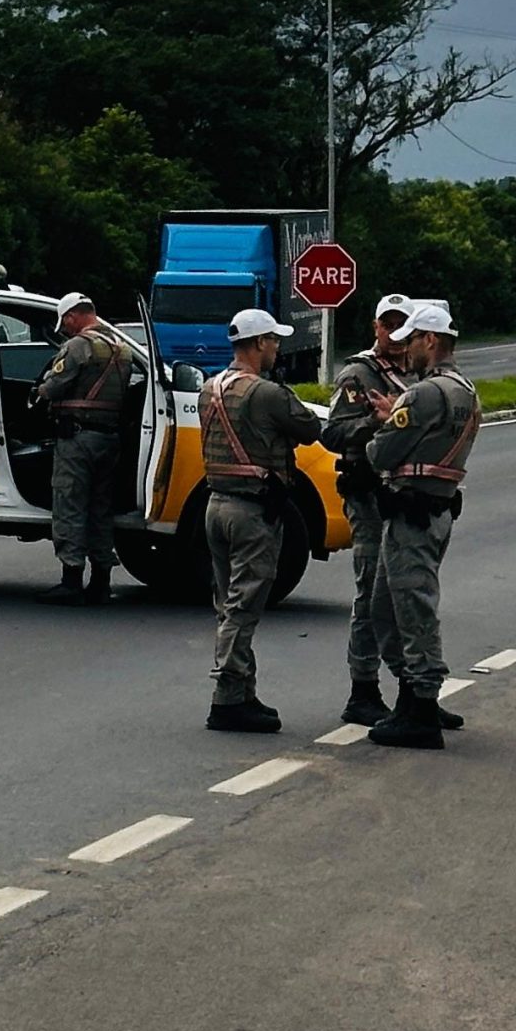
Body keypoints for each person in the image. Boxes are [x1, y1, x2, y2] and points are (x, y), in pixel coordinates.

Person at [199, 307, 324, 732]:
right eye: (273, 340)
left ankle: (243, 691)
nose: (277, 347)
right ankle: (228, 697)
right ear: (256, 344)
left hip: (216, 504)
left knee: (227, 603)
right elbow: (308, 428)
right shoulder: (266, 393)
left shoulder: (209, 388)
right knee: (244, 605)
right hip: (252, 511)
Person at [364, 302, 480, 749]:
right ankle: (414, 698)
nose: (405, 348)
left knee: (410, 610)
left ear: (430, 340)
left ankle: (421, 705)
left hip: (411, 513)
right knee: (387, 608)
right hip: (435, 508)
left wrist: (388, 423)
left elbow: (381, 453)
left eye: (411, 340)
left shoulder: (425, 393)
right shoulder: (463, 389)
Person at [321, 292, 421, 726]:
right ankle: (363, 688)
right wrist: (374, 423)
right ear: (376, 327)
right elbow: (332, 434)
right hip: (368, 495)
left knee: (406, 594)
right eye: (388, 324)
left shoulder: (418, 372)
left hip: (406, 493)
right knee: (371, 591)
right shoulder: (360, 374)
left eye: (403, 325)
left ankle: (413, 690)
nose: (395, 333)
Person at [32, 291, 140, 605]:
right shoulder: (123, 349)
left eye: (64, 323)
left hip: (77, 439)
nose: (64, 330)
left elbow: (55, 386)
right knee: (100, 509)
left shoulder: (78, 346)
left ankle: (71, 579)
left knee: (70, 504)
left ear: (72, 316)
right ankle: (101, 580)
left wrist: (38, 389)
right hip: (109, 439)